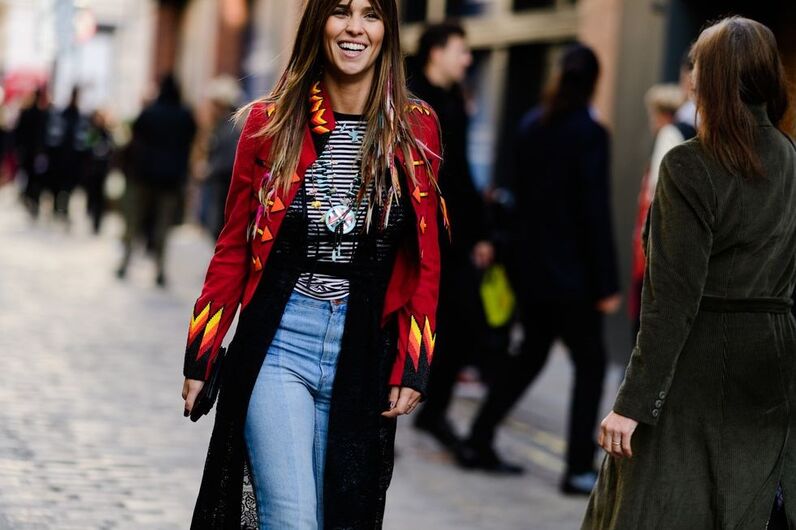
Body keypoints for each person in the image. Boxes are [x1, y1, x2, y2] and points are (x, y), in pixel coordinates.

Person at [180, 1, 444, 528]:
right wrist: (202, 350)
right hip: (280, 342)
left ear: (387, 31)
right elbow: (233, 245)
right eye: (340, 11)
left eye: (370, 15)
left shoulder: (416, 127)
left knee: (340, 517)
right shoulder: (268, 122)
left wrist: (413, 362)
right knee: (293, 518)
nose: (354, 28)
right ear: (317, 23)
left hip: (364, 351)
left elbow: (426, 254)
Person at [583, 17, 795, 529]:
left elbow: (671, 301)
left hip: (697, 363)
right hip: (775, 360)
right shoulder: (791, 158)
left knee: (656, 506)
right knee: (753, 504)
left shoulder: (689, 164)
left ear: (710, 78)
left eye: (697, 62)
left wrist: (632, 404)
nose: (691, 73)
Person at [456, 44, 621, 490]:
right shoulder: (589, 133)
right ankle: (578, 468)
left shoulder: (533, 124)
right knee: (590, 364)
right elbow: (594, 213)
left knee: (530, 356)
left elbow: (517, 195)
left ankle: (479, 435)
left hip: (532, 272)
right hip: (573, 278)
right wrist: (607, 282)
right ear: (593, 81)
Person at [408, 22, 495, 450]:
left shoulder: (455, 102)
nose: (468, 59)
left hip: (451, 238)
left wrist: (479, 232)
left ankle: (434, 410)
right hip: (410, 234)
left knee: (465, 325)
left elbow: (460, 171)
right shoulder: (407, 95)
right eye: (461, 50)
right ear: (436, 52)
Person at [117, 74, 197, 287]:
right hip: (171, 180)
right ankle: (160, 268)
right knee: (163, 225)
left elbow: (134, 137)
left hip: (143, 176)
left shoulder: (149, 113)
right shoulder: (185, 116)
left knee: (133, 221)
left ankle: (125, 262)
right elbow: (191, 142)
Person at [629, 84, 687, 336]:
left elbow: (658, 191)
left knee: (645, 303)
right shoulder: (678, 133)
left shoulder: (669, 135)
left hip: (654, 237)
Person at [200, 75, 242, 238]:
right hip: (219, 188)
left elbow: (228, 161)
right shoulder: (222, 126)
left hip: (222, 190)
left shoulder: (229, 128)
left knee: (219, 230)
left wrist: (208, 170)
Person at [46, 86, 89, 221]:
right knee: (56, 184)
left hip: (73, 160)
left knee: (68, 186)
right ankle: (56, 207)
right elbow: (53, 137)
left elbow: (84, 141)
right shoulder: (61, 115)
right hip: (59, 158)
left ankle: (64, 208)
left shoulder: (81, 118)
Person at [14, 88, 50, 219]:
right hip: (31, 152)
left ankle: (32, 199)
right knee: (30, 178)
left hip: (36, 153)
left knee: (35, 179)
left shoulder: (43, 114)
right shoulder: (31, 113)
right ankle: (29, 197)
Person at [82, 110, 114, 234]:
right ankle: (91, 213)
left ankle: (97, 221)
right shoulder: (92, 133)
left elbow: (111, 151)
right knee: (92, 195)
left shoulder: (107, 134)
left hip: (102, 172)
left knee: (100, 197)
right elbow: (86, 149)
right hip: (91, 171)